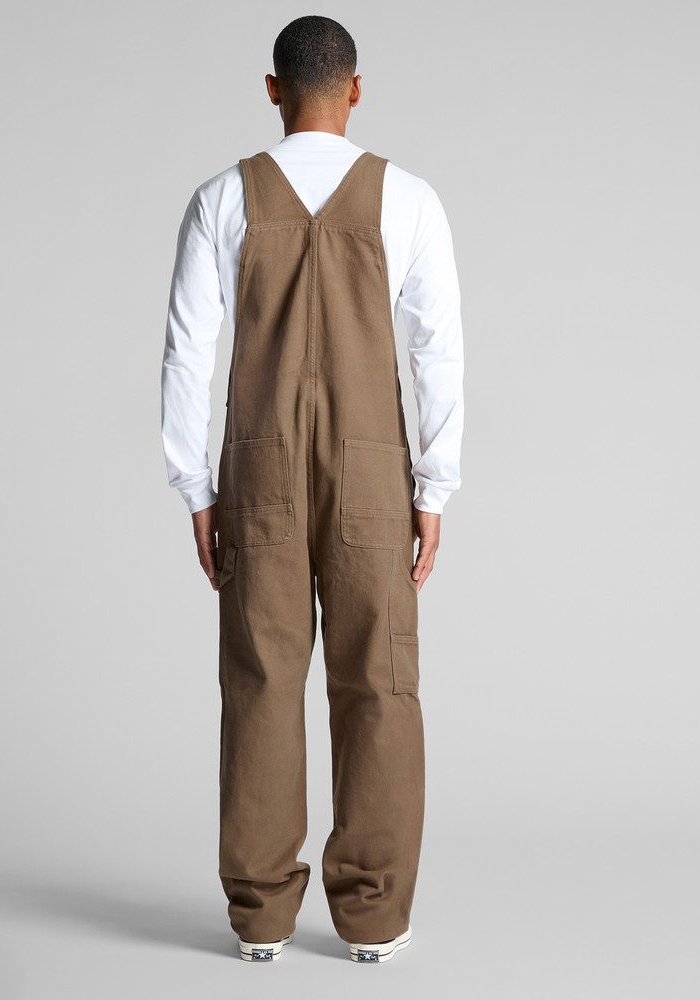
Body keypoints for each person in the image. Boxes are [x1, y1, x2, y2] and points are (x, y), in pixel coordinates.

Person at [161, 15, 464, 963]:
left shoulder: (222, 198)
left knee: (260, 679)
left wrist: (196, 488)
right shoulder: (410, 199)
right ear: (356, 89)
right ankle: (373, 917)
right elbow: (438, 353)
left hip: (258, 467)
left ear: (272, 88)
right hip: (374, 470)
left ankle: (260, 917)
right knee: (379, 680)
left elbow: (188, 353)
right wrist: (434, 488)